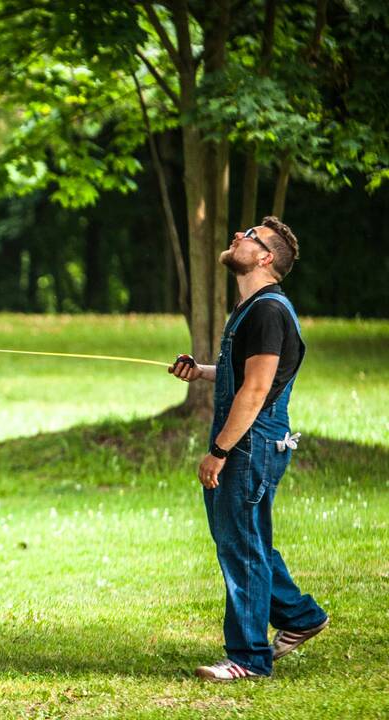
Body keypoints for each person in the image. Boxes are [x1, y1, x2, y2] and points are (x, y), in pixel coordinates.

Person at [170, 216, 328, 682]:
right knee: (242, 541)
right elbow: (246, 373)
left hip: (250, 442)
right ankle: (300, 617)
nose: (238, 237)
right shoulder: (252, 307)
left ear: (264, 258)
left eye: (251, 237)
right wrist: (201, 371)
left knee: (242, 548)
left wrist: (219, 450)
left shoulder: (267, 311)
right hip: (246, 438)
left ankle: (249, 659)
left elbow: (256, 392)